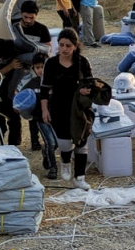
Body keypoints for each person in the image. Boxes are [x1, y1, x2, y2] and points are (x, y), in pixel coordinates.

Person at [39, 28, 94, 189]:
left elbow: (92, 84)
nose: (64, 49)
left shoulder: (83, 62)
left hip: (80, 108)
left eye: (68, 46)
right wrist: (44, 110)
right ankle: (64, 161)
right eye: (61, 45)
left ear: (75, 46)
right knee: (64, 143)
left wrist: (85, 90)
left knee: (81, 142)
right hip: (58, 107)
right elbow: (43, 89)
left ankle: (80, 177)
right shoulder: (51, 63)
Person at [16, 54, 59, 177]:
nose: (40, 70)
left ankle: (46, 154)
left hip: (56, 118)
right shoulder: (32, 83)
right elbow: (21, 96)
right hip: (40, 119)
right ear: (34, 68)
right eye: (37, 67)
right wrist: (18, 106)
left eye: (43, 67)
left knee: (55, 144)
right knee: (50, 142)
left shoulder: (55, 81)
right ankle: (53, 168)